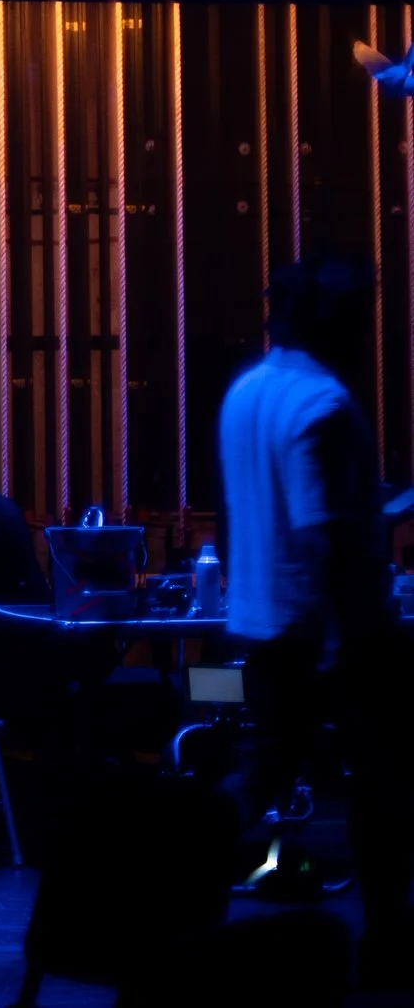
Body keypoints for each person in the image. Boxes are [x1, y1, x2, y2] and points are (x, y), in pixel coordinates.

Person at [216, 251, 410, 983]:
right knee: (384, 787)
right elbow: (320, 529)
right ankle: (390, 944)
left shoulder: (249, 390)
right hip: (338, 631)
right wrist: (341, 633)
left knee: (262, 773)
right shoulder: (323, 404)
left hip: (265, 622)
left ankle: (173, 894)